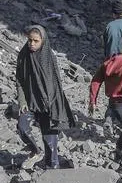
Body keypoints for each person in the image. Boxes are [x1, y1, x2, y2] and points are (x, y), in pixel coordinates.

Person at [14, 25, 76, 170]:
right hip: (30, 102)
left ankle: (52, 169)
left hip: (48, 104)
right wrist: (22, 101)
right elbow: (20, 80)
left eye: (36, 41)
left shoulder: (49, 58)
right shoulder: (24, 55)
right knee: (22, 127)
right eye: (30, 40)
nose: (32, 44)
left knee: (50, 141)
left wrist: (54, 107)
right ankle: (35, 150)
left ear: (43, 41)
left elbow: (55, 85)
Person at [89, 33, 122, 168]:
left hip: (112, 103)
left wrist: (92, 101)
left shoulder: (109, 61)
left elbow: (96, 80)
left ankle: (109, 119)